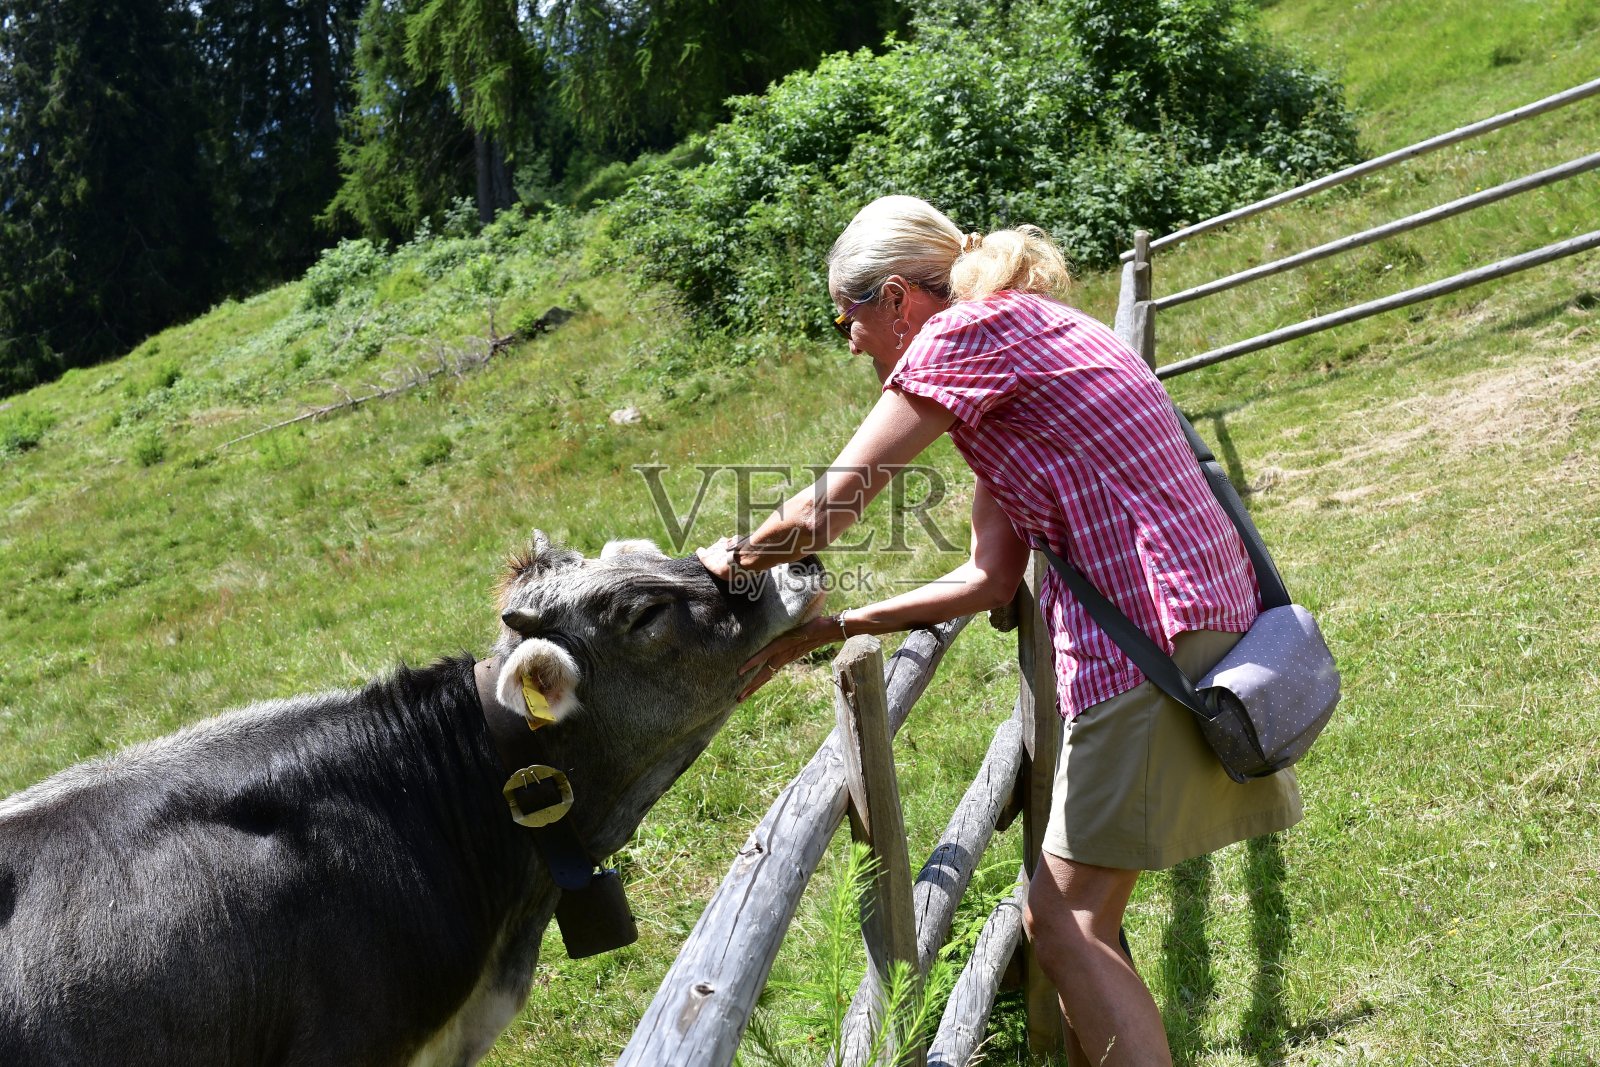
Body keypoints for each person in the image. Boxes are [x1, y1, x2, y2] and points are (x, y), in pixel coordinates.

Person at [696, 194, 1301, 1065]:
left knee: (1065, 926)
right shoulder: (1016, 332)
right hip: (1193, 619)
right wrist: (841, 623)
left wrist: (722, 566)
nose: (851, 342)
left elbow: (831, 507)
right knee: (1071, 920)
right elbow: (990, 575)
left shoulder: (958, 342)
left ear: (898, 298)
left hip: (1149, 636)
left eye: (849, 317)